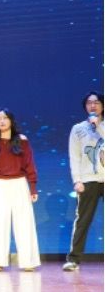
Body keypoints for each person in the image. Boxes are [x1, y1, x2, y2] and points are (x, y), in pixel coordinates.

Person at [0, 108, 40, 271]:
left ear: (11, 121)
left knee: (24, 223)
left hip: (19, 184)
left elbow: (29, 164)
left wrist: (33, 188)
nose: (2, 121)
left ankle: (28, 261)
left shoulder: (22, 140)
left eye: (5, 118)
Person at [63, 92, 104, 271]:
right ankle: (74, 259)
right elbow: (74, 156)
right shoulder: (78, 129)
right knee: (83, 220)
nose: (93, 105)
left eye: (97, 102)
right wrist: (77, 180)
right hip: (88, 180)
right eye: (89, 102)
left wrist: (98, 126)